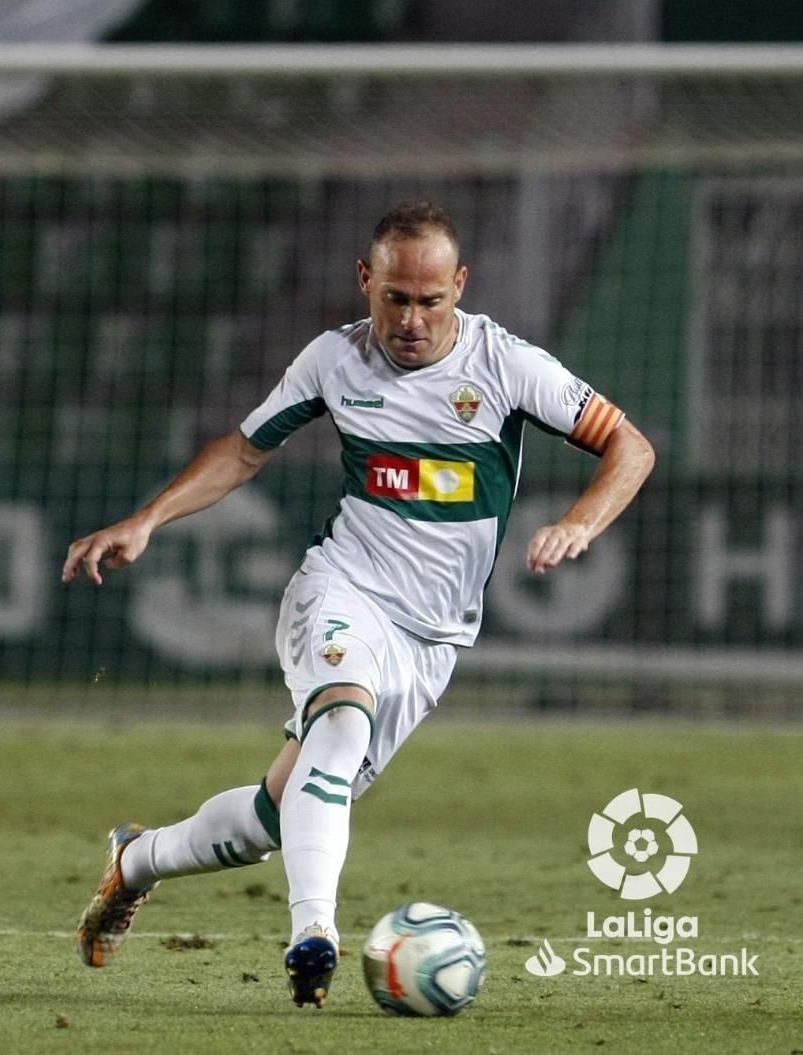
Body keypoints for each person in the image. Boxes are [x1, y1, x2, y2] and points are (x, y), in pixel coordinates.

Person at [63, 201, 655, 1009]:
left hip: (432, 640)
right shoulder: (334, 359)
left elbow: (631, 446)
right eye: (394, 299)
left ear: (461, 285)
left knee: (276, 817)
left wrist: (580, 521)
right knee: (340, 723)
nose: (411, 321)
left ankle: (136, 860)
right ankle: (314, 935)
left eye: (430, 301)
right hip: (343, 587)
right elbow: (243, 449)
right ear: (364, 280)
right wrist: (147, 518)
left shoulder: (507, 366)